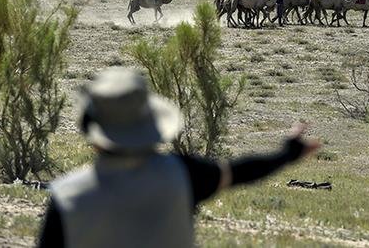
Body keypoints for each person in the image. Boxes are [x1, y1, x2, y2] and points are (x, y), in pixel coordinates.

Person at [38, 67, 319, 248]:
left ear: (93, 134)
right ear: (150, 124)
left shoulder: (66, 196)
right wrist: (288, 153)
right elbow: (241, 171)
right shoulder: (183, 174)